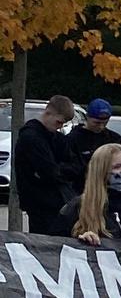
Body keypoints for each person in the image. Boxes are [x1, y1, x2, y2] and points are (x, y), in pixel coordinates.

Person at [54, 143, 121, 242]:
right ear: (101, 172)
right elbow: (55, 250)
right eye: (117, 167)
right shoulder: (75, 209)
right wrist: (80, 242)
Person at [15, 95, 74, 234]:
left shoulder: (55, 137)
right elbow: (50, 172)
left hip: (53, 200)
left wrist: (58, 170)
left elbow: (73, 165)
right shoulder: (31, 137)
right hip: (40, 202)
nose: (59, 127)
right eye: (58, 122)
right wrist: (61, 171)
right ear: (48, 113)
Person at [62, 99, 121, 195]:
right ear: (87, 117)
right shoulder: (72, 139)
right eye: (97, 123)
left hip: (109, 191)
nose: (101, 127)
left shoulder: (114, 138)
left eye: (105, 123)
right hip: (80, 190)